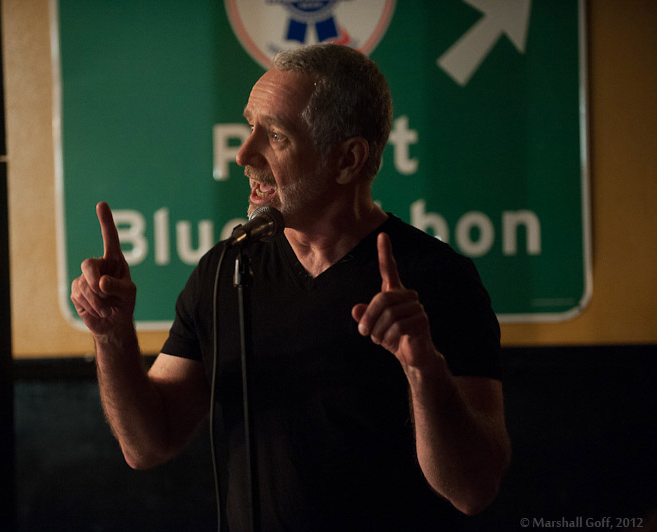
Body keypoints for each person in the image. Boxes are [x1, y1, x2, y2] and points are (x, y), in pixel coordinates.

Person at [71, 43, 511, 531]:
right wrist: (111, 336)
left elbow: (473, 490)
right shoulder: (224, 269)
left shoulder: (438, 279)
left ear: (347, 159)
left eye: (276, 135)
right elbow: (147, 445)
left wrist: (424, 369)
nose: (244, 154)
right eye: (249, 127)